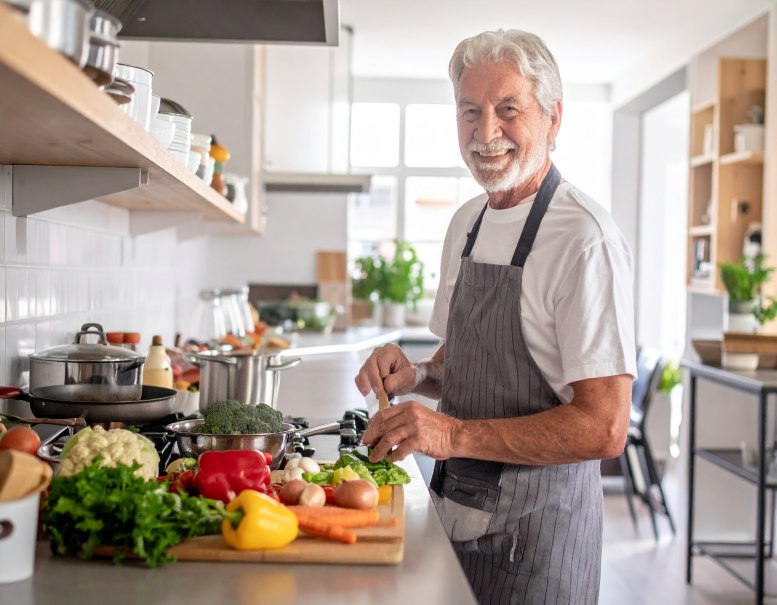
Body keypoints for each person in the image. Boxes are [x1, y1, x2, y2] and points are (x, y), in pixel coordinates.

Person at [355, 29, 636, 605]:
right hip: (454, 515)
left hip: (540, 540)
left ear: (553, 119)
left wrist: (451, 432)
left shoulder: (584, 238)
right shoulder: (467, 223)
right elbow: (461, 358)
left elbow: (606, 427)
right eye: (469, 112)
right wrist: (414, 375)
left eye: (508, 109)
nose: (486, 133)